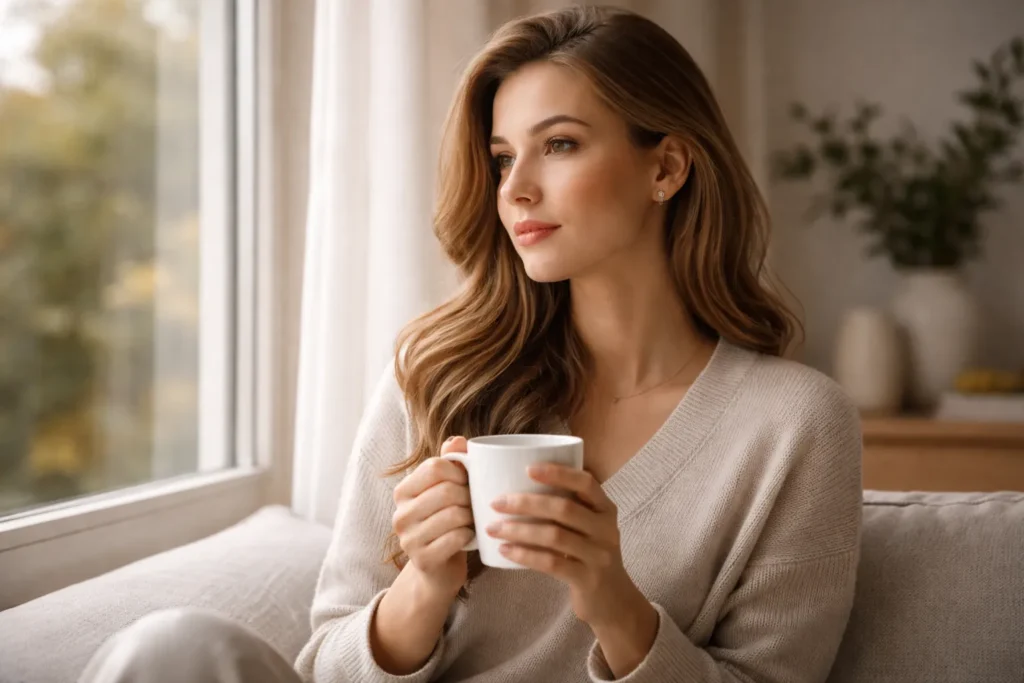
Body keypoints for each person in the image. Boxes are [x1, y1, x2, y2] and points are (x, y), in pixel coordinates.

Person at [80, 5, 862, 683]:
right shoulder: (437, 373)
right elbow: (323, 663)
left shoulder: (794, 424)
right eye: (501, 157)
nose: (516, 188)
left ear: (666, 165)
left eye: (559, 145)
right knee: (171, 646)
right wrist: (422, 583)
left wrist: (617, 607)